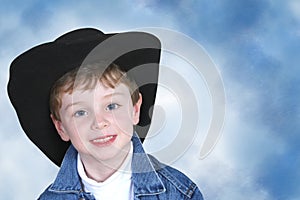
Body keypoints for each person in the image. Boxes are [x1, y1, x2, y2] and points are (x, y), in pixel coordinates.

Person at [7, 28, 204, 199]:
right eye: (80, 112)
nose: (99, 122)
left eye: (111, 106)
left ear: (135, 110)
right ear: (61, 127)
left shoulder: (180, 193)